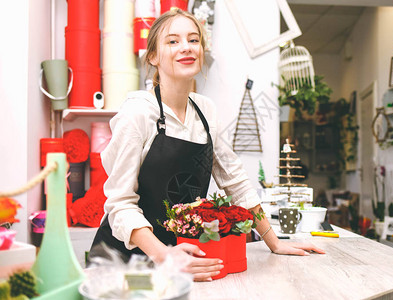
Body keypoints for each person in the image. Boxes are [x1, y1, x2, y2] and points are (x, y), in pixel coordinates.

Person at [90, 8, 325, 282]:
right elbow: (120, 204)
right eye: (173, 41)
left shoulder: (206, 112)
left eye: (193, 39)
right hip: (123, 262)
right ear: (152, 56)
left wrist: (274, 241)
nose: (186, 48)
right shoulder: (138, 113)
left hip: (182, 256)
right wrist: (165, 256)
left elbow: (234, 181)